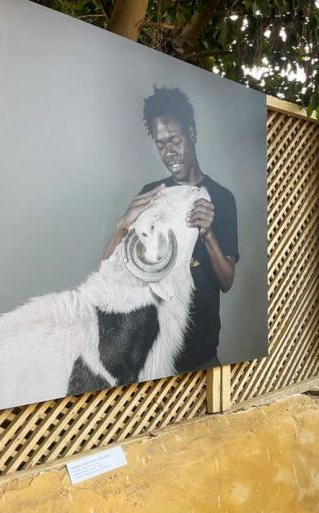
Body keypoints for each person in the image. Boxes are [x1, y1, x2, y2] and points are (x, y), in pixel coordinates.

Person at [105, 86, 238, 372]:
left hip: (202, 356)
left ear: (192, 133)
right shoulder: (150, 194)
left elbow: (227, 282)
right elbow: (109, 272)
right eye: (160, 144)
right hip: (149, 356)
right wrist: (122, 227)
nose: (169, 152)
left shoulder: (222, 198)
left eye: (175, 140)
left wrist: (208, 234)